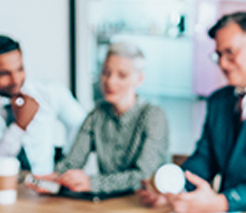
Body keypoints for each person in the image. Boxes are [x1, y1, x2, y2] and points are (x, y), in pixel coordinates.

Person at [138, 11, 246, 213]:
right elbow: (204, 160)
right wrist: (172, 190)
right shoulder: (219, 100)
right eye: (219, 55)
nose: (222, 64)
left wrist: (222, 202)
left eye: (230, 52)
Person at [33, 42, 169, 196]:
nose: (110, 81)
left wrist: (92, 183)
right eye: (106, 72)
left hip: (149, 204)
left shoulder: (153, 116)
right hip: (110, 205)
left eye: (122, 75)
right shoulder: (96, 115)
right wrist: (55, 178)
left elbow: (144, 176)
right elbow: (72, 163)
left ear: (139, 80)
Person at [0, 35, 86, 174]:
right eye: (4, 73)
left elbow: (83, 126)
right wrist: (19, 126)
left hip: (44, 187)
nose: (15, 80)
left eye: (20, 69)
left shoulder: (48, 92)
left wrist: (67, 165)